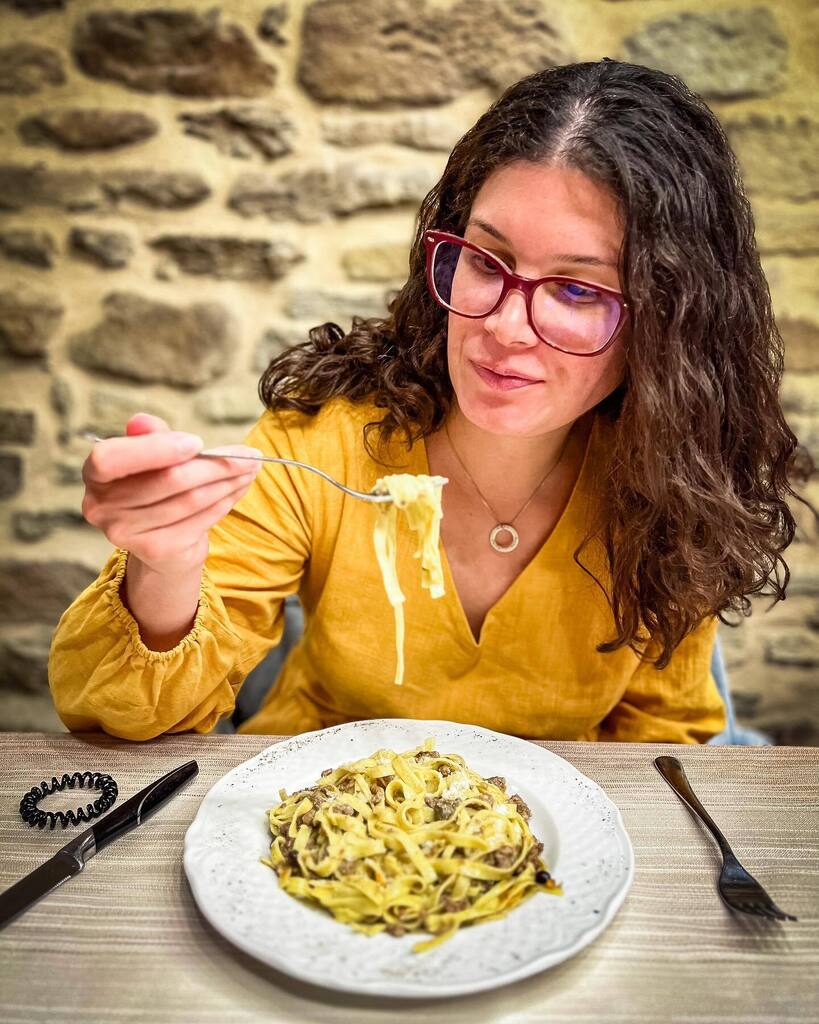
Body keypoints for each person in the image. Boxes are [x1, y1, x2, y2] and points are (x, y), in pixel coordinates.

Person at [48, 59, 811, 743]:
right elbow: (123, 715)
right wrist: (166, 564)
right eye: (487, 260)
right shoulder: (326, 438)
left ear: (671, 318)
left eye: (577, 288)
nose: (505, 327)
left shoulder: (672, 485)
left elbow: (662, 741)